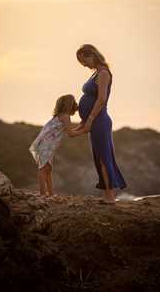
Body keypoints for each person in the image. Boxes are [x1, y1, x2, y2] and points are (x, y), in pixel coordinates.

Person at [76, 44, 127, 204]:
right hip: (94, 120)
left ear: (91, 55)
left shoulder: (104, 73)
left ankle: (110, 197)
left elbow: (102, 99)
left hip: (100, 121)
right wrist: (82, 122)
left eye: (84, 60)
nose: (84, 65)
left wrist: (90, 119)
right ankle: (107, 195)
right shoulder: (96, 73)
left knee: (104, 157)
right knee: (99, 157)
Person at [29, 94, 86, 197]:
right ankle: (43, 194)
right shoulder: (65, 117)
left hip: (45, 144)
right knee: (43, 169)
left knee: (48, 169)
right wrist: (85, 130)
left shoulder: (60, 116)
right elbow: (71, 134)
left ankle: (50, 194)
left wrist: (81, 126)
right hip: (46, 145)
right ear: (69, 105)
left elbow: (70, 130)